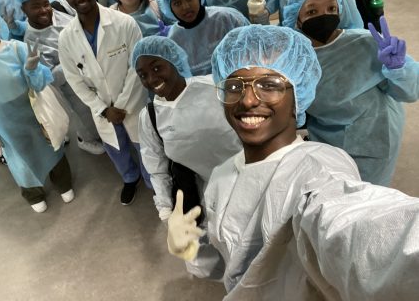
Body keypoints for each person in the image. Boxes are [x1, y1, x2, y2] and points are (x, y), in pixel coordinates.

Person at [167, 25, 419, 299]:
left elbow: (360, 230)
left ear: (297, 96)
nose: (248, 100)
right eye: (234, 86)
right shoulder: (221, 175)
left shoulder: (318, 170)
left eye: (269, 85)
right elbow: (235, 265)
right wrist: (193, 251)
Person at [282, 0, 419, 186]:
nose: (324, 16)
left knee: (369, 198)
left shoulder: (367, 42)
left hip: (378, 138)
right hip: (330, 143)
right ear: (296, 19)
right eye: (312, 12)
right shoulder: (296, 59)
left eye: (331, 8)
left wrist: (398, 68)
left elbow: (410, 92)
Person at [0, 1, 74, 212]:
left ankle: (63, 182)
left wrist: (32, 70)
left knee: (50, 147)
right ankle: (33, 193)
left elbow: (40, 84)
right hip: (3, 122)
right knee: (19, 158)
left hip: (33, 113)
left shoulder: (16, 48)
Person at [58, 0, 151, 205]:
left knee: (146, 147)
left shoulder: (124, 23)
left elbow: (136, 66)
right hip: (103, 111)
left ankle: (154, 181)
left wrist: (119, 105)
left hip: (132, 101)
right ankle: (130, 178)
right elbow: (74, 79)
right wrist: (102, 108)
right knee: (116, 149)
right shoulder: (66, 38)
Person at [132, 36, 241, 222]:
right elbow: (156, 166)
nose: (151, 79)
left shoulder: (214, 88)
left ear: (174, 60)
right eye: (143, 75)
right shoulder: (151, 117)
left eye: (157, 68)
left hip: (252, 177)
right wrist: (165, 207)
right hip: (211, 197)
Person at [10, 0, 104, 155]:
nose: (44, 10)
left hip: (93, 72)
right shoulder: (31, 41)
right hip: (71, 89)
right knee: (86, 118)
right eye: (35, 7)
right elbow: (51, 78)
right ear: (23, 9)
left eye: (45, 4)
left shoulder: (60, 7)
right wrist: (75, 61)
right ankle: (85, 139)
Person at [161, 0, 249, 75]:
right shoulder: (174, 40)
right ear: (170, 8)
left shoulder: (227, 18)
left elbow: (253, 51)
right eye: (177, 3)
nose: (185, 6)